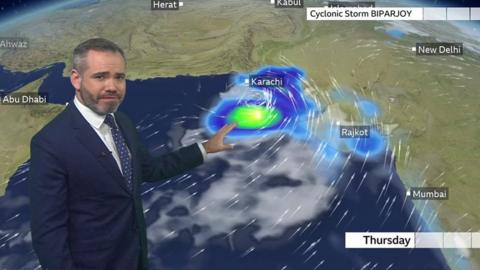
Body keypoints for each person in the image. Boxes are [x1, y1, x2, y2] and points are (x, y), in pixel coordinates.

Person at [29, 38, 236, 270]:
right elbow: (48, 233)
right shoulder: (50, 143)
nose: (112, 86)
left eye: (119, 77)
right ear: (76, 79)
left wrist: (205, 148)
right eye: (100, 76)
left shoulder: (122, 123)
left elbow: (149, 170)